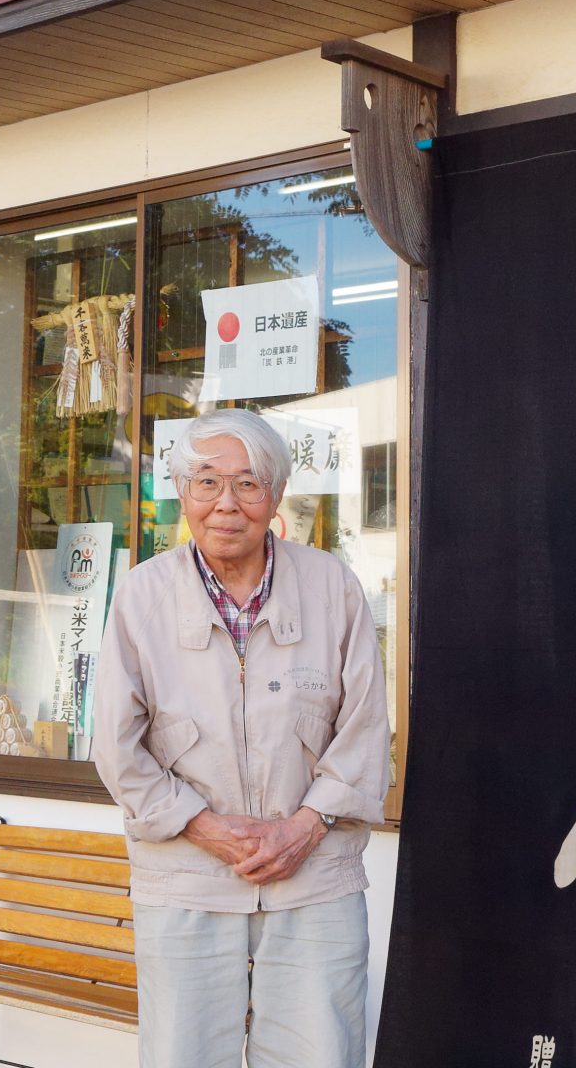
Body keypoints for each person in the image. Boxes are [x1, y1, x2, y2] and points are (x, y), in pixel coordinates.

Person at [94, 407, 390, 1068]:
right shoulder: (142, 596)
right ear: (183, 493)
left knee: (321, 1054)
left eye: (248, 484)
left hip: (316, 880)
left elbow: (368, 728)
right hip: (186, 881)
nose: (227, 504)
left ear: (276, 495)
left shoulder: (332, 587)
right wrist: (205, 828)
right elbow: (116, 747)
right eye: (207, 483)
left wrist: (304, 829)